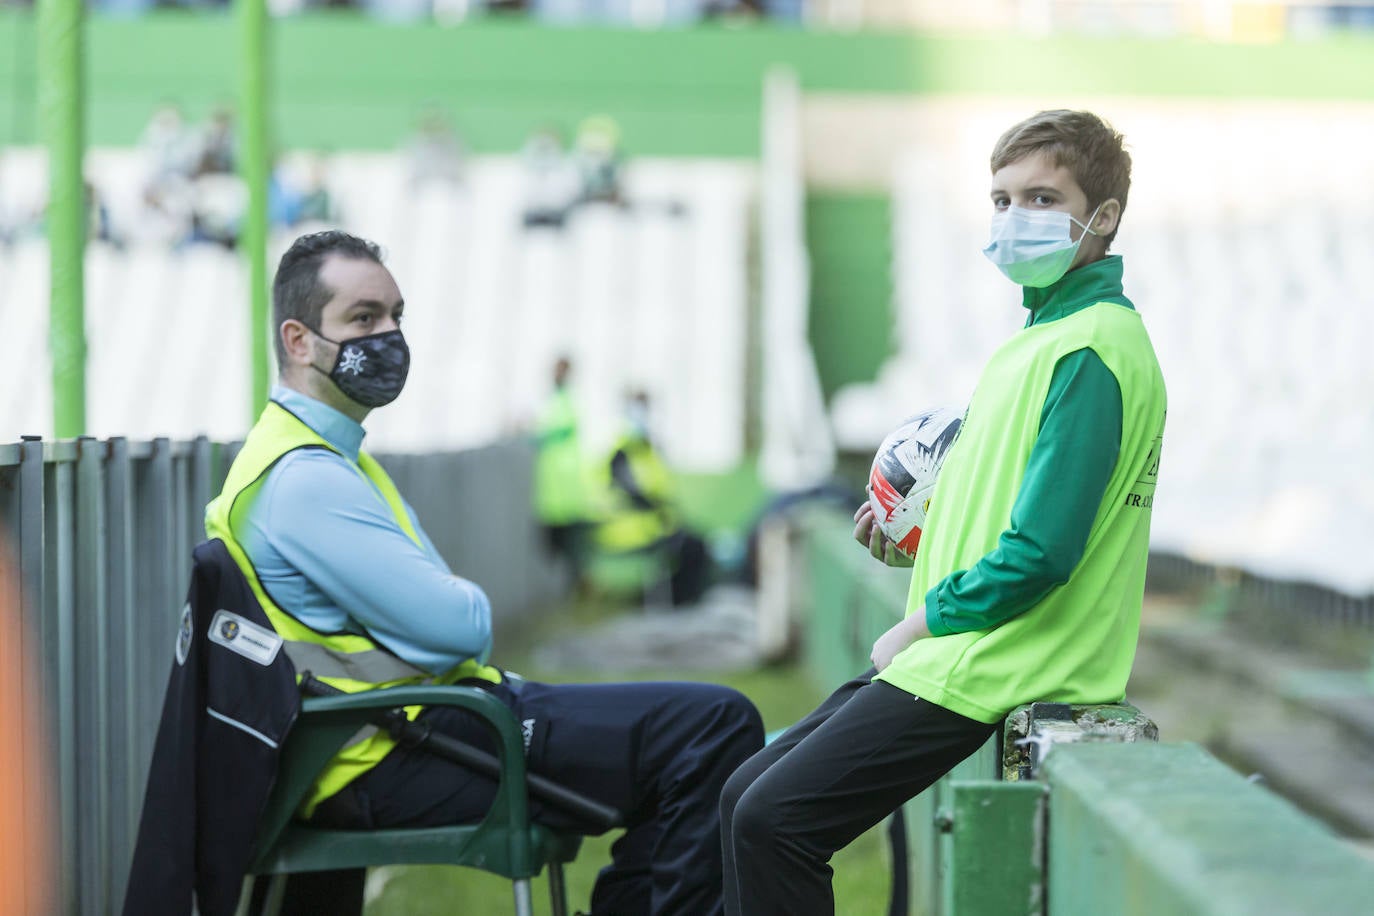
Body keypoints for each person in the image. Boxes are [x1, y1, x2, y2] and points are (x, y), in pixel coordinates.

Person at [195, 230, 762, 915]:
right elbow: (461, 628)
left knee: (700, 730)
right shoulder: (304, 480)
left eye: (396, 316)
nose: (390, 337)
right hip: (401, 746)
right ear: (298, 340)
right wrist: (452, 608)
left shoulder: (323, 459)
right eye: (362, 318)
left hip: (419, 729)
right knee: (712, 728)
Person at [719, 109, 1167, 914]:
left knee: (772, 820)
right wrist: (909, 548)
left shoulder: (1092, 351)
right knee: (742, 795)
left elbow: (1043, 553)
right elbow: (1004, 511)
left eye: (1039, 198)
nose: (1011, 219)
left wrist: (920, 618)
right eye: (1000, 200)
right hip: (959, 650)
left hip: (999, 661)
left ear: (1102, 218)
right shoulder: (1041, 339)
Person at [596, 390, 712, 606]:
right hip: (632, 532)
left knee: (697, 545)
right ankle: (680, 605)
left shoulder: (649, 452)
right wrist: (661, 513)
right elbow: (636, 496)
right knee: (691, 548)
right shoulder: (621, 455)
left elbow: (661, 494)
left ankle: (682, 604)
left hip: (653, 528)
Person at [532, 355, 594, 576]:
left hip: (565, 492)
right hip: (553, 492)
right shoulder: (555, 401)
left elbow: (547, 433)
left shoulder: (566, 402)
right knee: (554, 549)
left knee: (568, 550)